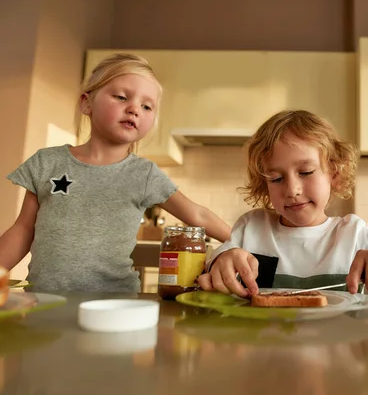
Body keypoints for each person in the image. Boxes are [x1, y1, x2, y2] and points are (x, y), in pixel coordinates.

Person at [0, 53, 231, 292]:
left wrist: (246, 243)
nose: (134, 109)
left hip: (115, 305)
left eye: (146, 106)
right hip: (45, 302)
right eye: (121, 97)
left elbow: (198, 215)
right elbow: (23, 229)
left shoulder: (144, 175)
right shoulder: (47, 162)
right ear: (86, 103)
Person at [197, 110, 368, 299]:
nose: (292, 190)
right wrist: (220, 263)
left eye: (306, 172)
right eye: (277, 179)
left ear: (334, 173)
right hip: (266, 353)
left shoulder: (353, 235)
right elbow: (212, 271)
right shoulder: (251, 228)